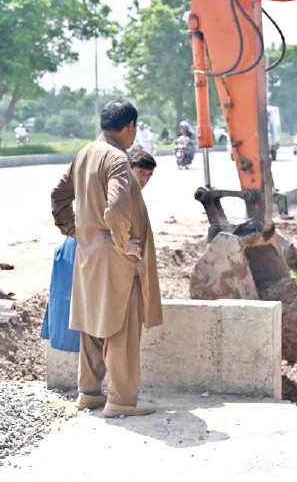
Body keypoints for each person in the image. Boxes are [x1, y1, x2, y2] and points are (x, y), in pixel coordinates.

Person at [51, 99, 162, 419]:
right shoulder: (116, 158)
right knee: (123, 327)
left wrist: (73, 229)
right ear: (129, 126)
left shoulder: (84, 153)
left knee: (92, 322)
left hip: (89, 252)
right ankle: (122, 401)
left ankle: (88, 392)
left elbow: (58, 195)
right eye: (134, 129)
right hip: (116, 256)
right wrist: (125, 242)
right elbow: (115, 208)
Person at [42, 150, 157, 355]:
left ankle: (89, 380)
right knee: (85, 314)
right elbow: (108, 221)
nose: (145, 179)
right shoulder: (115, 190)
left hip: (88, 248)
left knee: (90, 315)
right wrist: (121, 244)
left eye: (149, 175)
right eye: (141, 172)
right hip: (85, 251)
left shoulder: (127, 193)